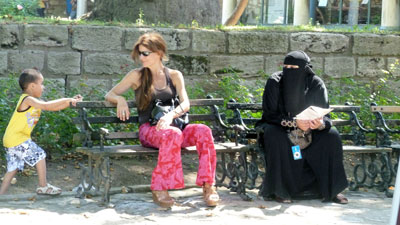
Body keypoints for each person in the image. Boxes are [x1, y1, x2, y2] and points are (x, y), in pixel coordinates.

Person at [105, 32, 220, 208]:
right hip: (150, 130)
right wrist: (120, 100)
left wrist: (170, 115)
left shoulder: (174, 75)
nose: (141, 57)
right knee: (172, 134)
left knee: (203, 130)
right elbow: (110, 94)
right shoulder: (136, 75)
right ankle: (159, 187)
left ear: (158, 52)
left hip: (175, 127)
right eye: (140, 53)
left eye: (145, 53)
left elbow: (185, 103)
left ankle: (208, 185)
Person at [256, 51, 348, 204]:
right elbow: (270, 114)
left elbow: (324, 113)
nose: (289, 70)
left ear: (305, 68)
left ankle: (332, 190)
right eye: (286, 66)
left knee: (331, 136)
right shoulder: (275, 82)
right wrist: (293, 122)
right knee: (274, 135)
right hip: (280, 127)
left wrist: (320, 123)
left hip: (310, 130)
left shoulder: (315, 83)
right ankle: (280, 190)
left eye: (294, 67)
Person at [0, 68, 83, 195]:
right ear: (32, 86)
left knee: (13, 168)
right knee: (40, 155)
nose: (43, 87)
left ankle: (1, 195)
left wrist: (71, 102)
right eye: (41, 84)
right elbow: (47, 106)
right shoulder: (27, 99)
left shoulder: (34, 101)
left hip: (11, 139)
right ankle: (43, 186)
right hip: (17, 138)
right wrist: (68, 99)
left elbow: (53, 107)